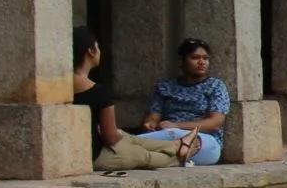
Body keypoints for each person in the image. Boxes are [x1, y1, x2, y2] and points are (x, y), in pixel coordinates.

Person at [73, 26, 198, 170]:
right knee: (142, 155)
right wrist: (117, 136)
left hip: (81, 149)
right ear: (91, 51)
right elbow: (110, 138)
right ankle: (179, 157)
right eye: (97, 47)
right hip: (97, 156)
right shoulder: (99, 91)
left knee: (128, 137)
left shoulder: (61, 86)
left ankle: (176, 145)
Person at [137, 37, 229, 166]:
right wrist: (150, 124)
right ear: (183, 61)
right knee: (155, 150)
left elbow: (214, 123)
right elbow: (153, 116)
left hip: (204, 143)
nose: (202, 62)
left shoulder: (215, 86)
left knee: (171, 134)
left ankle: (127, 142)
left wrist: (176, 126)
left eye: (205, 58)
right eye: (195, 57)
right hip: (167, 137)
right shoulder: (165, 87)